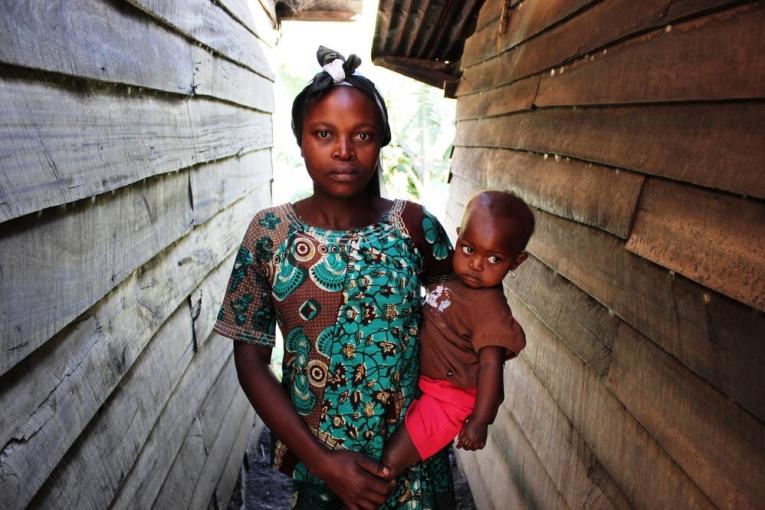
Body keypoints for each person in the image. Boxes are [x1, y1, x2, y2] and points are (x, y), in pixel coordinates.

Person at [213, 46, 457, 509]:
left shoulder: (414, 228)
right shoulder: (269, 235)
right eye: (324, 134)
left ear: (381, 140)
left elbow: (468, 309)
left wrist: (450, 404)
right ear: (300, 139)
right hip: (321, 473)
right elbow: (250, 362)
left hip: (414, 468)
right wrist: (324, 462)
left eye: (361, 135)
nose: (344, 151)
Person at [380, 191, 533, 477]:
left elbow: (491, 368)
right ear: (459, 237)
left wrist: (480, 421)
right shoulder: (453, 279)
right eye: (468, 249)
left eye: (494, 258)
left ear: (516, 262)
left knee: (390, 462)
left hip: (449, 400)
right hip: (426, 385)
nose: (476, 264)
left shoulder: (490, 309)